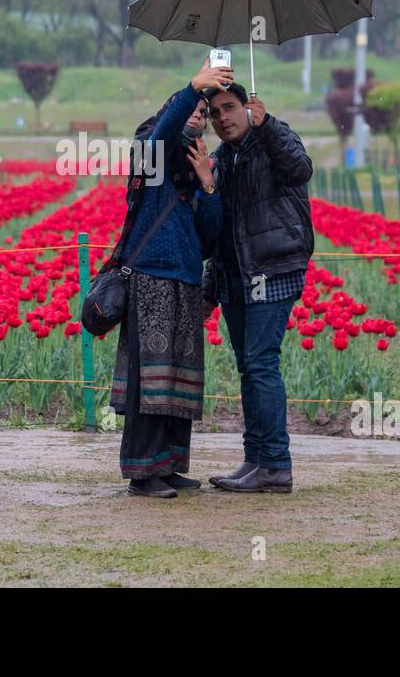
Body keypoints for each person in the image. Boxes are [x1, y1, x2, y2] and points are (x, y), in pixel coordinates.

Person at [110, 57, 232, 498]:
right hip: (150, 280)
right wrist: (191, 87)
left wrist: (208, 184)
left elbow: (209, 236)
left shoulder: (197, 164)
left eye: (205, 111)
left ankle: (171, 465)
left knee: (177, 377)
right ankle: (143, 474)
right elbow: (161, 137)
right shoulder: (151, 154)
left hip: (184, 280)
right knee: (150, 381)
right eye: (195, 108)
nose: (201, 113)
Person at [201, 82, 314, 493]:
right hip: (236, 278)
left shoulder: (273, 141)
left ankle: (276, 465)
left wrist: (267, 126)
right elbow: (222, 234)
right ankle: (256, 460)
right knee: (249, 367)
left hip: (273, 269)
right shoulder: (222, 160)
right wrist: (210, 290)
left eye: (229, 108)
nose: (223, 118)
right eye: (215, 113)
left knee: (262, 362)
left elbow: (301, 169)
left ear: (248, 107)